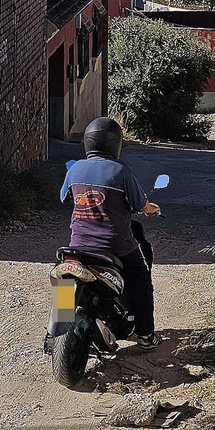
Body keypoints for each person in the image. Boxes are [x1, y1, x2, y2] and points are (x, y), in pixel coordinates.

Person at [60, 117, 161, 349]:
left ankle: (54, 329)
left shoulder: (75, 169)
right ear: (115, 143)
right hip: (115, 245)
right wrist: (153, 209)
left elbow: (64, 198)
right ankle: (146, 335)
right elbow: (141, 205)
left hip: (77, 245)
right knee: (141, 280)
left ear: (88, 141)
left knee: (64, 282)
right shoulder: (121, 171)